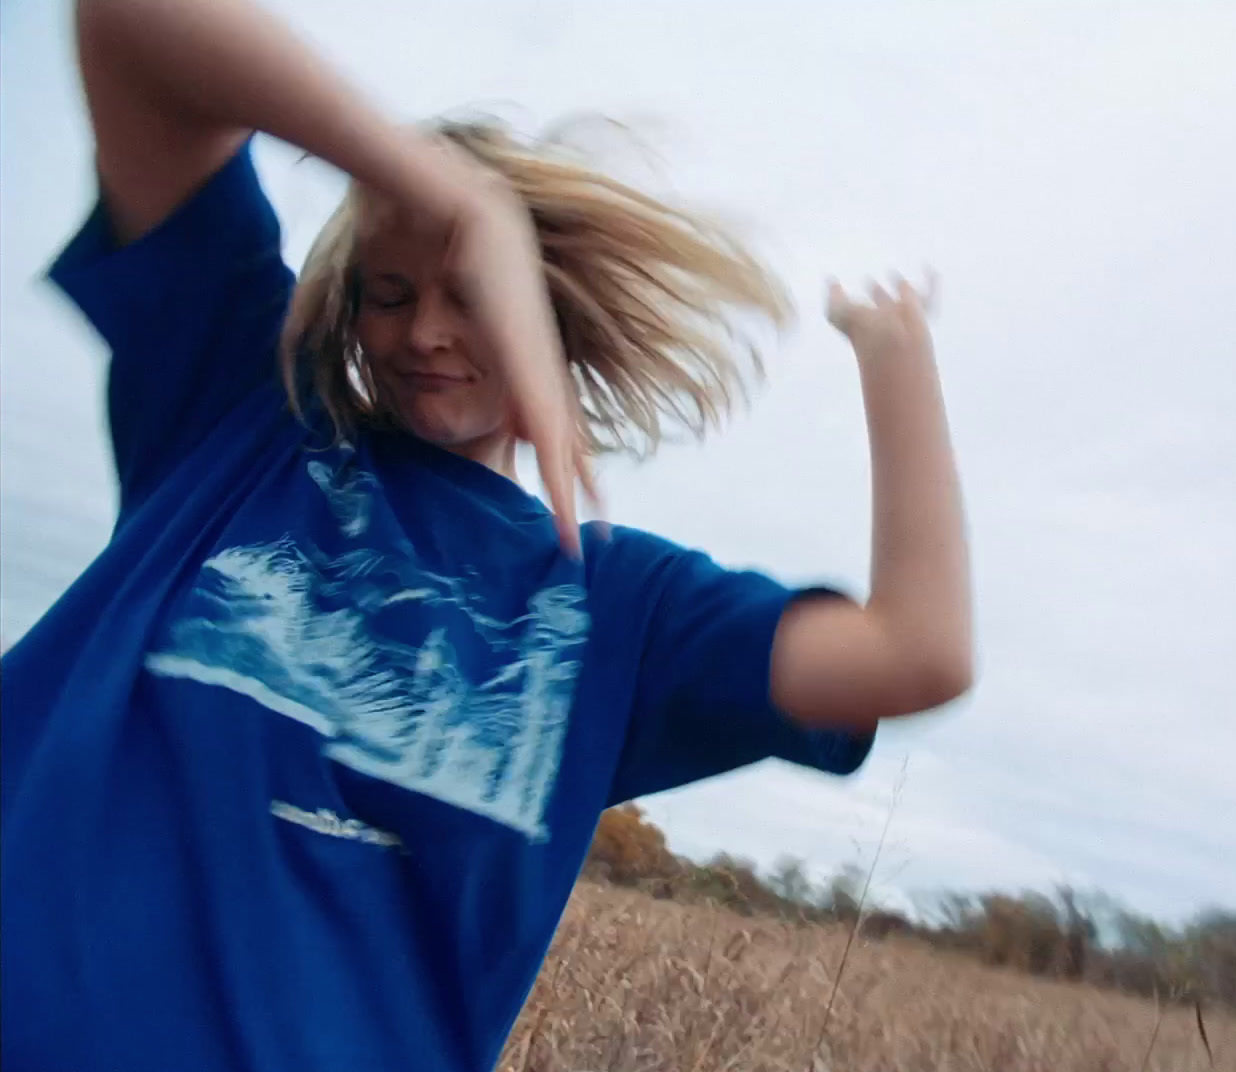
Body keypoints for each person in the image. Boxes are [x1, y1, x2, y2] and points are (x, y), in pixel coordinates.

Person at [0, 0, 975, 1068]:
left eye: (470, 291)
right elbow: (128, 25)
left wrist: (895, 356)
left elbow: (915, 652)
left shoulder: (618, 611)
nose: (424, 330)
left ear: (543, 312)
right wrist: (457, 198)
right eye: (390, 291)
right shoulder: (242, 408)